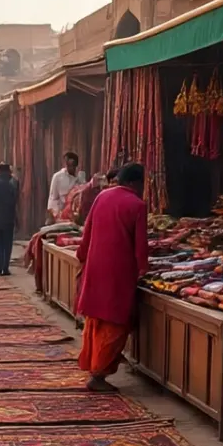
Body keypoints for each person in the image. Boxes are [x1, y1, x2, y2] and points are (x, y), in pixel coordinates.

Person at [75, 162, 149, 392]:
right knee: (115, 324)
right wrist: (143, 269)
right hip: (119, 272)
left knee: (96, 319)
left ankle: (93, 366)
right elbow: (140, 246)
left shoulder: (102, 197)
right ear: (135, 183)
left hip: (96, 268)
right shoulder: (137, 205)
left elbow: (87, 229)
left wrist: (82, 253)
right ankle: (98, 375)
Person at [47, 151, 86, 222]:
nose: (70, 168)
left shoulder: (80, 178)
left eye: (72, 165)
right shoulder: (57, 177)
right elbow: (53, 198)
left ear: (76, 165)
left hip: (75, 215)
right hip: (60, 213)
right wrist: (55, 214)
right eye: (68, 165)